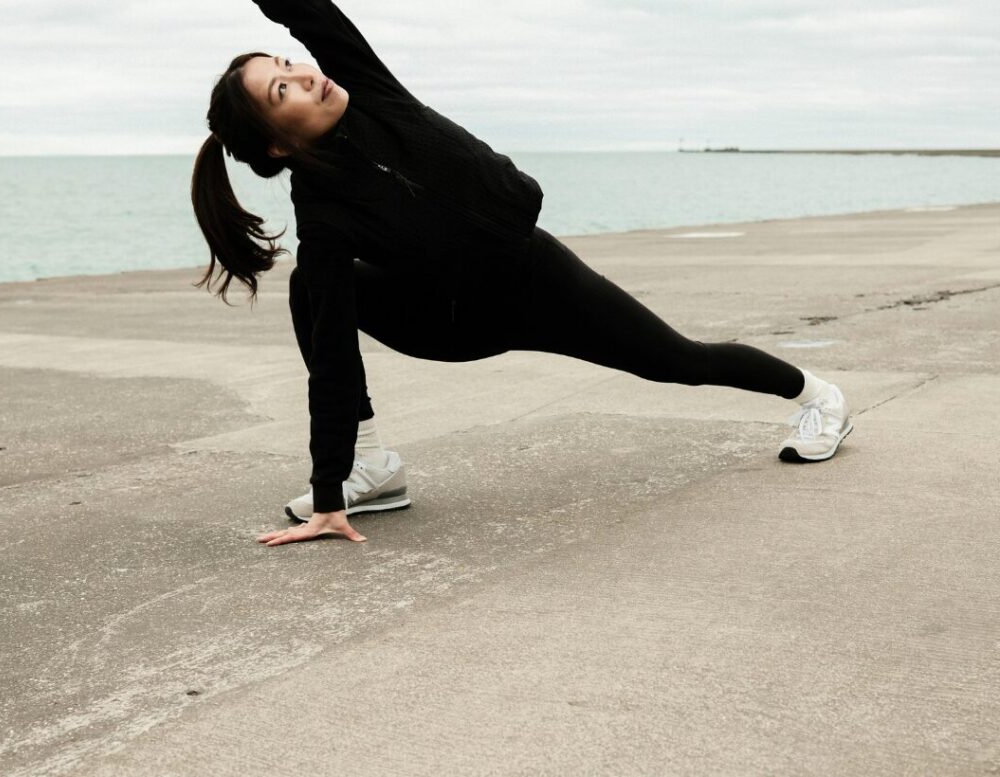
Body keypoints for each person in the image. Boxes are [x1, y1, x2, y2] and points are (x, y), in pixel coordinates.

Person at [189, 0, 853, 548]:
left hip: (538, 282)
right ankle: (371, 468)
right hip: (452, 320)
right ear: (277, 143)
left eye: (288, 64)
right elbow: (332, 357)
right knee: (314, 286)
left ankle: (818, 397)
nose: (306, 74)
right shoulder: (324, 218)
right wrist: (328, 492)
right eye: (284, 88)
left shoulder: (371, 94)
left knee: (677, 359)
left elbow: (310, 14)